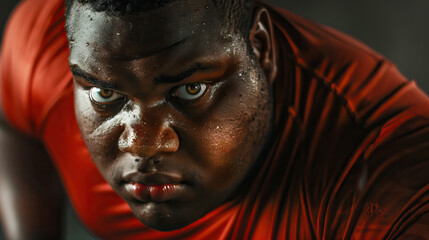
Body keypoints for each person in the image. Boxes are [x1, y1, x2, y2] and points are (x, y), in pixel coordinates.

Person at [0, 0, 428, 239]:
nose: (144, 144)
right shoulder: (48, 45)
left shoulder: (388, 173)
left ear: (259, 46)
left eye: (190, 90)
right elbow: (14, 122)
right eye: (106, 94)